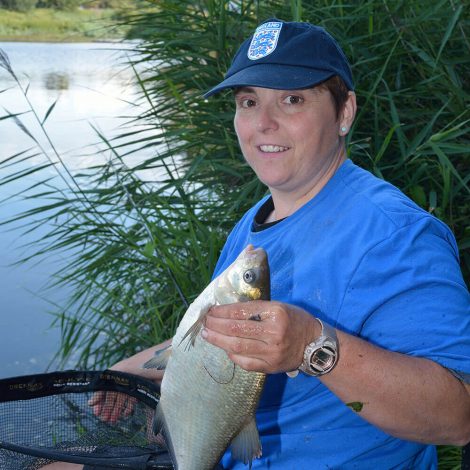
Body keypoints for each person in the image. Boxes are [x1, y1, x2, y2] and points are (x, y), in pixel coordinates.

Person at [92, 19, 470, 469]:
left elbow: (458, 417)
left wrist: (314, 347)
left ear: (344, 112)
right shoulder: (257, 220)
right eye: (248, 102)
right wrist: (127, 370)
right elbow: (222, 334)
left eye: (292, 100)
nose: (264, 124)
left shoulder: (397, 235)